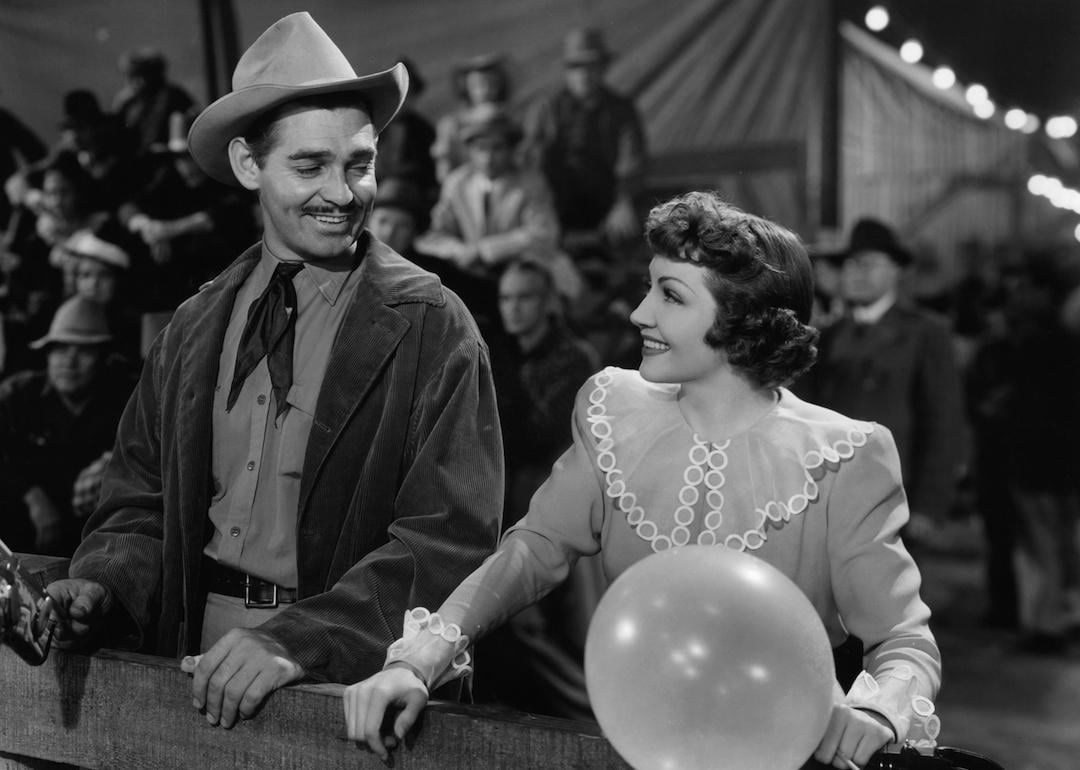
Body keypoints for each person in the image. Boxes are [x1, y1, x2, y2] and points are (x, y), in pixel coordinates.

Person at [344, 192, 941, 770]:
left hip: (781, 753)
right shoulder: (614, 409)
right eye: (648, 288)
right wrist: (421, 658)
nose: (639, 313)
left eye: (670, 295)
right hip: (630, 745)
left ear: (740, 319)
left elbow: (901, 640)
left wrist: (880, 713)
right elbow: (534, 547)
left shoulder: (843, 454)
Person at [45, 11, 502, 733]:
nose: (345, 193)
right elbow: (137, 502)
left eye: (360, 162)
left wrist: (299, 641)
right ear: (248, 166)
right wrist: (102, 584)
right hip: (196, 668)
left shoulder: (432, 326)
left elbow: (450, 542)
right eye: (310, 166)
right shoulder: (193, 329)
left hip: (353, 681)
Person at [797, 218, 966, 539]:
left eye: (868, 263)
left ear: (896, 270)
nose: (856, 272)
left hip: (896, 494)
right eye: (849, 264)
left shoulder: (925, 332)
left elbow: (943, 421)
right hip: (830, 492)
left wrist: (930, 505)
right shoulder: (826, 337)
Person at [0, 295, 132, 555]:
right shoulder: (17, 395)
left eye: (83, 351)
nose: (69, 362)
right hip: (20, 540)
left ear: (104, 357)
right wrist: (32, 495)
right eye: (59, 349)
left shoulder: (125, 400)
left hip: (96, 547)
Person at [417, 103, 581, 303]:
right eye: (481, 149)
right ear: (469, 151)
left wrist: (483, 250)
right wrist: (461, 251)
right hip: (472, 271)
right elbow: (436, 233)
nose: (488, 158)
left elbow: (544, 232)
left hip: (520, 267)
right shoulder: (457, 183)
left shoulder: (530, 183)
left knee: (556, 270)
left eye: (497, 148)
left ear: (511, 150)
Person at [521, 27, 647, 255]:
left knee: (633, 233)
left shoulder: (621, 110)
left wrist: (623, 202)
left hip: (606, 200)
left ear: (603, 69)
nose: (584, 75)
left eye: (591, 67)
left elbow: (632, 160)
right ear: (567, 72)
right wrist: (542, 207)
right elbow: (530, 160)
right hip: (555, 203)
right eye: (576, 67)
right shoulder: (545, 108)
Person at [432, 53, 511, 184]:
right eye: (479, 85)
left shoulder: (509, 119)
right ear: (466, 87)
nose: (486, 90)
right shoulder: (451, 124)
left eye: (492, 84)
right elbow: (444, 172)